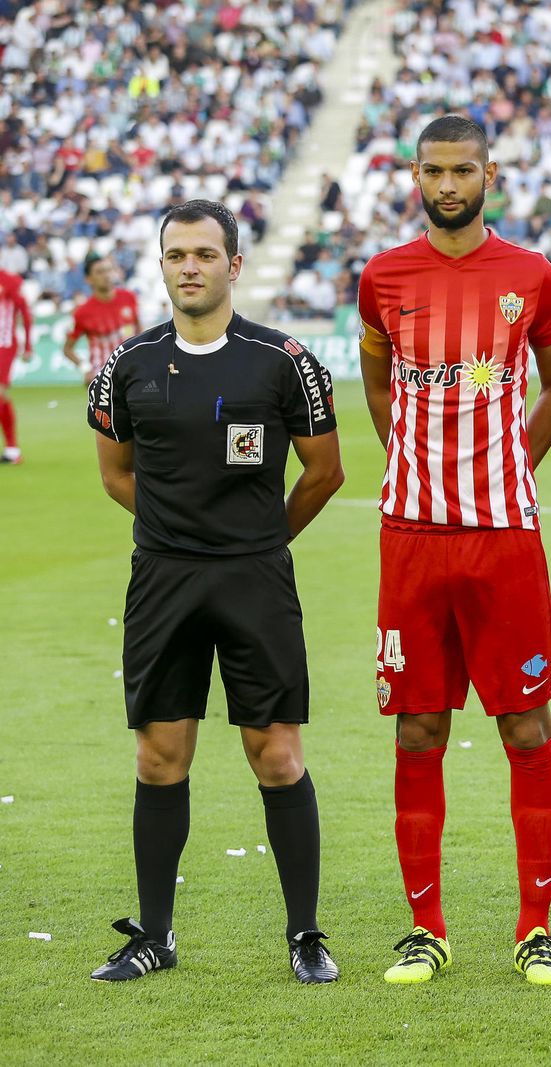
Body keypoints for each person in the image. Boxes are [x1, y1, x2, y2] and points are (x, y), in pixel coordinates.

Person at [85, 199, 344, 984]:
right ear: (161, 264)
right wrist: (182, 536)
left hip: (256, 578)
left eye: (204, 253)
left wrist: (258, 542)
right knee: (160, 756)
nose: (189, 266)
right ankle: (155, 935)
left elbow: (325, 471)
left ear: (234, 265)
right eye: (176, 254)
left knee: (277, 753)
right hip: (163, 580)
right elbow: (116, 475)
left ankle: (304, 935)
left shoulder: (284, 359)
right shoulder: (126, 366)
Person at [356, 115, 551, 987]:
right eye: (433, 171)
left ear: (492, 173)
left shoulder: (531, 276)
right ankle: (426, 927)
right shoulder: (383, 276)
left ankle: (535, 926)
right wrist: (408, 456)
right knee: (419, 725)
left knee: (525, 721)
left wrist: (513, 461)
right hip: (410, 537)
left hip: (504, 537)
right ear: (416, 175)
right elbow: (377, 379)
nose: (447, 185)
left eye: (462, 170)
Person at [65, 252, 142, 385]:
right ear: (88, 279)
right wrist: (85, 369)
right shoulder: (82, 312)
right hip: (103, 379)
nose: (106, 275)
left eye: (108, 270)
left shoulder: (129, 297)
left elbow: (139, 331)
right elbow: (68, 349)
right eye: (100, 272)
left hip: (133, 371)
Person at [0, 266, 32, 463]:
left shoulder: (10, 280)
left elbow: (25, 312)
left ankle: (12, 448)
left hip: (4, 344)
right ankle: (12, 450)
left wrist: (28, 345)